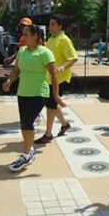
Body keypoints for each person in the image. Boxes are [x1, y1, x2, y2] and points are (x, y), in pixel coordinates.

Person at [2, 24, 65, 171]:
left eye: (26, 34)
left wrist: (55, 95)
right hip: (22, 93)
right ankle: (29, 150)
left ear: (36, 36)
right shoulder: (22, 51)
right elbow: (16, 70)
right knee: (24, 124)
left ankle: (25, 155)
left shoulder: (45, 53)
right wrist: (9, 81)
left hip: (39, 93)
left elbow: (54, 75)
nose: (23, 37)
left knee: (27, 123)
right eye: (23, 34)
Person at [35, 15, 78, 144]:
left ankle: (48, 134)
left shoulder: (64, 40)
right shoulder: (51, 39)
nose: (50, 26)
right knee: (52, 104)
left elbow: (73, 58)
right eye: (50, 24)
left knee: (50, 106)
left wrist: (61, 68)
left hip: (61, 79)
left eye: (53, 24)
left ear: (60, 26)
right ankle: (65, 124)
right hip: (50, 78)